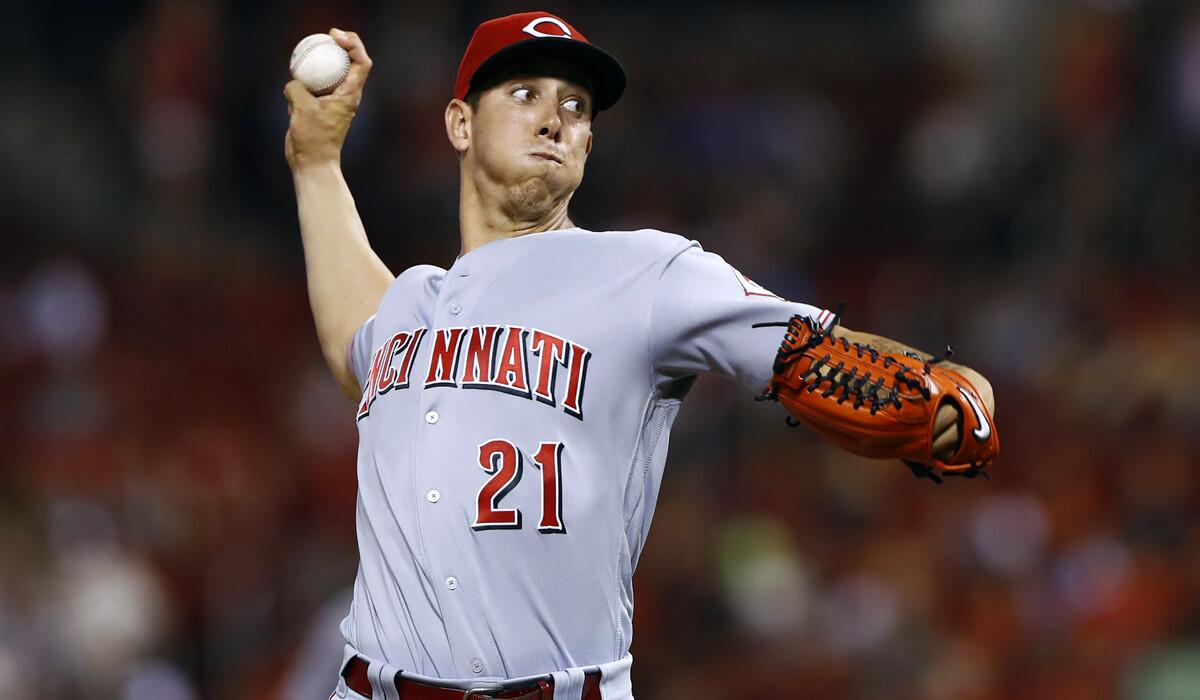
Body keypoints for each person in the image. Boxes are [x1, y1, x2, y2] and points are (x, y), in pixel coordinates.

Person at [283, 11, 996, 700]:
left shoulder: (643, 271)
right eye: (524, 92)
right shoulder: (411, 303)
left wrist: (936, 392)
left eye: (576, 105)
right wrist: (315, 162)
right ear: (459, 124)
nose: (553, 116)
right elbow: (356, 339)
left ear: (587, 147)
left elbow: (809, 350)